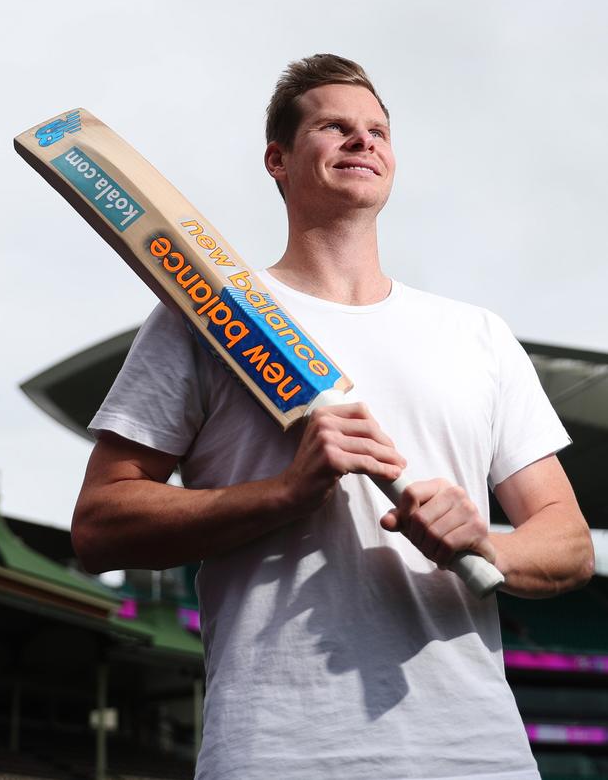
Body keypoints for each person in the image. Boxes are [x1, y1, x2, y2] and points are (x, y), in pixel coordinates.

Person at [72, 54, 594, 780]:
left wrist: (489, 546)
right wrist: (286, 492)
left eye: (377, 130)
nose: (363, 141)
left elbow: (569, 542)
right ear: (277, 160)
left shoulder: (476, 334)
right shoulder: (202, 316)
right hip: (277, 751)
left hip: (477, 754)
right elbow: (100, 524)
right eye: (335, 127)